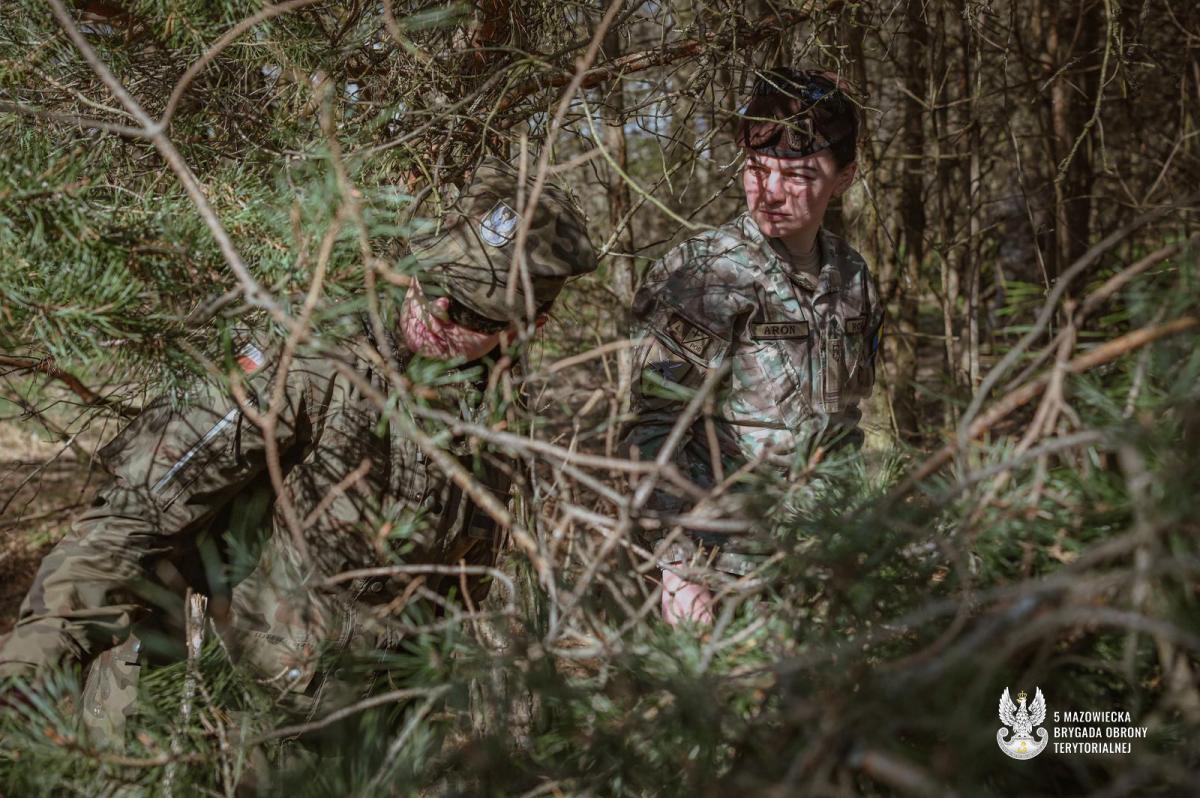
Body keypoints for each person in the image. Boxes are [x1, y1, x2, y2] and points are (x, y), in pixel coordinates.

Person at [0, 158, 596, 741]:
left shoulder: (496, 410)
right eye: (436, 280)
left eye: (470, 310)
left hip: (343, 739)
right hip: (195, 718)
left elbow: (454, 588)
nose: (438, 310)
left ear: (528, 326)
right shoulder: (304, 352)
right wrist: (27, 677)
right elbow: (130, 520)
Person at [624, 68, 883, 625]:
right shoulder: (704, 275)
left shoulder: (852, 276)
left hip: (822, 561)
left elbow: (845, 423)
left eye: (799, 175)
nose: (770, 191)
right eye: (757, 169)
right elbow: (652, 429)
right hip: (724, 570)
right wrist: (678, 570)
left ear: (845, 177)